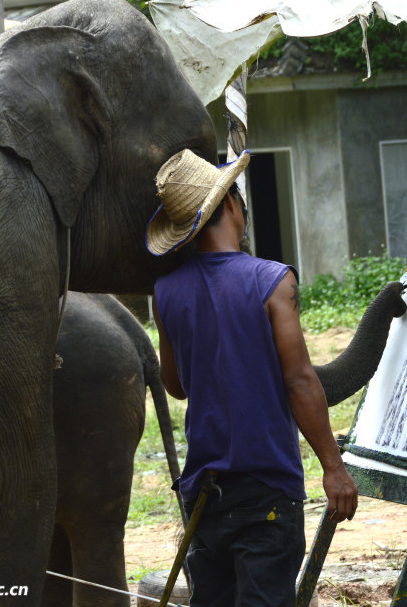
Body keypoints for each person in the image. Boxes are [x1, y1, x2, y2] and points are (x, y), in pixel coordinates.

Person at [146, 149, 358, 606]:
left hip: (203, 494)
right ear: (230, 207)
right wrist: (334, 468)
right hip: (267, 491)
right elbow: (300, 381)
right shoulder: (273, 280)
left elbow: (176, 385)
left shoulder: (165, 292)